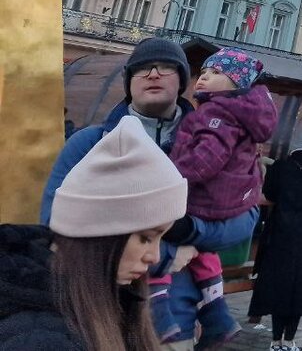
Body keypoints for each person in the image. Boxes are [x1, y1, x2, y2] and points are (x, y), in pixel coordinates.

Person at [0, 115, 187, 351]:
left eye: (161, 238)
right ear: (102, 234)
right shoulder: (40, 338)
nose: (155, 257)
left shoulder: (103, 305)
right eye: (146, 238)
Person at [149, 49, 277, 347]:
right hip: (223, 201)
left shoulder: (215, 113)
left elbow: (206, 160)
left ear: (236, 85)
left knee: (159, 241)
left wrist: (171, 174)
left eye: (215, 73)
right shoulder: (240, 118)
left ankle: (158, 310)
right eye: (203, 72)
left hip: (200, 199)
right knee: (202, 252)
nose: (203, 77)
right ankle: (216, 312)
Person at [41, 37, 193, 224]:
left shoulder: (208, 146)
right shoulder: (88, 143)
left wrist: (190, 230)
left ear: (182, 79)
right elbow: (52, 218)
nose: (153, 74)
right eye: (142, 68)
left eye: (166, 66)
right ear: (128, 82)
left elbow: (234, 223)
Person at [248, 123, 302, 351]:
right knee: (300, 289)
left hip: (281, 233)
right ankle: (290, 340)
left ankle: (275, 340)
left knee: (278, 287)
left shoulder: (281, 166)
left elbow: (269, 195)